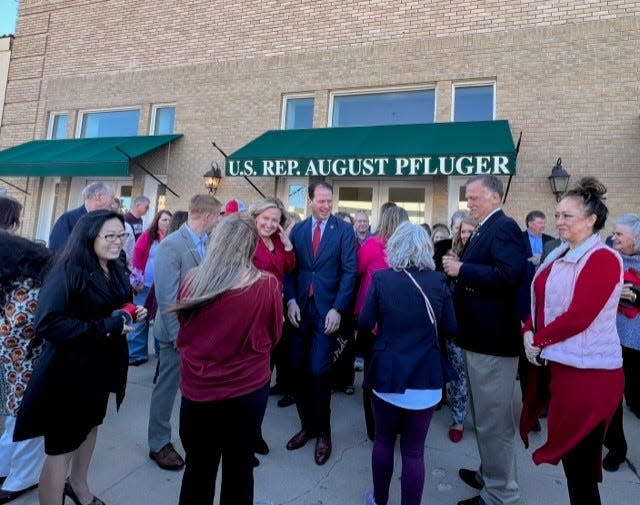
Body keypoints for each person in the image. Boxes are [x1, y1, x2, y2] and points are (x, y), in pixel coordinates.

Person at [13, 210, 147, 505]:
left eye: (121, 236)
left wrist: (130, 312)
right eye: (109, 236)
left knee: (90, 427)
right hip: (68, 372)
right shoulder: (67, 270)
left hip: (101, 369)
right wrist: (108, 325)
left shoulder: (116, 265)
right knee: (61, 447)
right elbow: (48, 323)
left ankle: (79, 486)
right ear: (90, 236)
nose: (117, 242)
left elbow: (113, 306)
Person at [519, 178, 624, 505]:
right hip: (562, 368)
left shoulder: (604, 259)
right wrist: (527, 329)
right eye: (557, 215)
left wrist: (539, 338)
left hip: (590, 375)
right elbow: (539, 301)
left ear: (592, 219)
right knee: (573, 468)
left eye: (567, 215)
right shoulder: (558, 253)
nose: (559, 221)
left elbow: (581, 314)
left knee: (580, 469)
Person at [174, 213, 283, 505]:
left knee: (198, 471)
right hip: (246, 394)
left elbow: (185, 327)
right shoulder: (267, 285)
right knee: (239, 470)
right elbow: (274, 336)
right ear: (251, 246)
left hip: (199, 394)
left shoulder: (192, 281)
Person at [443, 174, 527, 505]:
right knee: (485, 419)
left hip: (492, 342)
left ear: (494, 196)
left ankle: (500, 494)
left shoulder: (503, 227)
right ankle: (488, 474)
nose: (469, 204)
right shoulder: (486, 227)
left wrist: (461, 270)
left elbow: (509, 275)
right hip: (479, 339)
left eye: (474, 197)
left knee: (494, 422)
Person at [359, 222, 456, 505]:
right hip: (425, 374)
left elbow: (365, 323)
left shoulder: (381, 279)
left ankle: (378, 500)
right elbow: (451, 327)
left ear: (395, 247)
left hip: (388, 371)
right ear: (426, 248)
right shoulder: (438, 281)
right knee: (414, 452)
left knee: (384, 441)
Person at [284, 182, 357, 465]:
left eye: (330, 201)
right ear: (310, 201)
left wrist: (338, 308)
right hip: (300, 309)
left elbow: (350, 272)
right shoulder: (299, 230)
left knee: (319, 371)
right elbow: (290, 270)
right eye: (321, 201)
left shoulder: (344, 230)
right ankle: (308, 426)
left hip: (327, 311)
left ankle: (324, 433)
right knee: (297, 370)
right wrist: (290, 300)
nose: (327, 206)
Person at [147, 195, 221, 471]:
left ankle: (194, 436)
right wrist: (180, 337)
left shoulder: (208, 242)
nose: (217, 222)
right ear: (205, 216)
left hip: (203, 332)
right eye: (216, 217)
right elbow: (167, 300)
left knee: (198, 390)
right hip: (176, 335)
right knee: (167, 389)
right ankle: (158, 443)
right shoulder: (171, 245)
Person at [0, 234, 53, 504]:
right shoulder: (19, 280)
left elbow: (11, 332)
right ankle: (7, 467)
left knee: (26, 419)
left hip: (31, 364)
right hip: (18, 365)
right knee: (15, 415)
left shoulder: (28, 288)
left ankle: (22, 476)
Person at [354, 205, 409, 440]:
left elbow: (356, 270)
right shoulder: (408, 247)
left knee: (372, 374)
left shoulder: (371, 245)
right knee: (396, 373)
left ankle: (375, 429)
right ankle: (395, 426)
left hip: (373, 318)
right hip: (398, 320)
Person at [248, 197, 295, 462]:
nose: (269, 223)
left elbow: (288, 268)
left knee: (264, 376)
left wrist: (287, 245)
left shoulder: (277, 241)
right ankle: (245, 436)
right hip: (252, 314)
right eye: (265, 218)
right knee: (252, 377)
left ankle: (253, 431)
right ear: (255, 216)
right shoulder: (246, 240)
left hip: (274, 314)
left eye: (274, 220)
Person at [601, 213, 640, 472]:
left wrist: (636, 296)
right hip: (610, 336)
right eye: (613, 233)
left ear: (635, 239)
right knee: (611, 396)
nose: (613, 238)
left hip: (636, 340)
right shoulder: (609, 257)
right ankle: (617, 447)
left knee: (636, 395)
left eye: (619, 234)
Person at [443, 213, 476, 444]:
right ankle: (458, 419)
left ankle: (480, 418)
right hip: (455, 324)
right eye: (462, 231)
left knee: (477, 376)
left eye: (469, 231)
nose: (465, 235)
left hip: (478, 325)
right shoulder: (450, 254)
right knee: (459, 375)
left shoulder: (483, 256)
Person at [128, 210, 173, 366]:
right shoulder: (148, 237)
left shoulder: (172, 238)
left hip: (163, 286)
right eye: (164, 219)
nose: (167, 222)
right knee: (140, 319)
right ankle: (136, 354)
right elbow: (137, 257)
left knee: (160, 320)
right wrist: (137, 280)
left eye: (169, 220)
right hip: (145, 285)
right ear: (157, 221)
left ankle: (160, 353)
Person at [48, 182, 116, 253]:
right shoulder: (68, 219)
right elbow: (58, 251)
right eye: (112, 197)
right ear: (98, 196)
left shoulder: (107, 222)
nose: (114, 203)